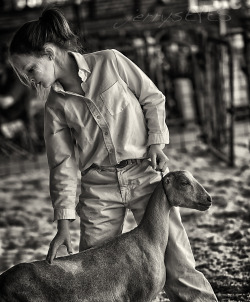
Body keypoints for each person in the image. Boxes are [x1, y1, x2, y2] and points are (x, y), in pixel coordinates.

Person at [8, 7, 218, 302]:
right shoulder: (55, 106)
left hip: (145, 176)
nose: (30, 81)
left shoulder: (112, 62)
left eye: (30, 70)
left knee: (177, 262)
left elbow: (152, 98)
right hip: (98, 188)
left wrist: (156, 143)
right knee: (93, 275)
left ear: (49, 52)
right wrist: (64, 224)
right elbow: (62, 166)